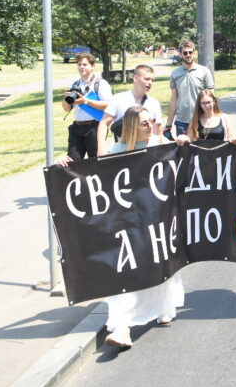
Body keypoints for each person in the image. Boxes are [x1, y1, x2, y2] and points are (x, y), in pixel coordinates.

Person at [59, 105, 185, 348]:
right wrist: (66, 165)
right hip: (128, 220)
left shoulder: (160, 143)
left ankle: (162, 307)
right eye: (144, 123)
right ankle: (121, 327)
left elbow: (179, 159)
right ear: (131, 126)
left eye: (151, 121)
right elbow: (94, 176)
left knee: (159, 264)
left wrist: (181, 142)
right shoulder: (117, 151)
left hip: (157, 216)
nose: (150, 126)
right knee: (124, 271)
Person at [97, 64, 163, 156]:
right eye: (147, 79)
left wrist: (159, 151)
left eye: (152, 80)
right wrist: (101, 148)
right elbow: (104, 123)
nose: (150, 82)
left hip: (146, 152)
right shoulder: (118, 99)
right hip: (123, 151)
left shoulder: (154, 103)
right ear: (135, 78)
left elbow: (157, 131)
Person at [61, 52, 112, 161]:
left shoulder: (100, 83)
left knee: (95, 161)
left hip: (95, 127)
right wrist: (66, 98)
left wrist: (85, 101)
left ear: (92, 66)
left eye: (85, 64)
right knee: (73, 162)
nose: (81, 67)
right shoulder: (75, 85)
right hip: (77, 127)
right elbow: (67, 108)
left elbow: (109, 105)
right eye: (79, 64)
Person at [167, 40, 215, 138]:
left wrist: (213, 118)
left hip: (201, 119)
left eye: (190, 52)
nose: (188, 55)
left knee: (202, 147)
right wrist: (168, 124)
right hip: (181, 122)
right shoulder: (175, 74)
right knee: (183, 148)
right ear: (180, 54)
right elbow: (173, 100)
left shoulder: (204, 71)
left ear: (194, 53)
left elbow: (211, 98)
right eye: (185, 53)